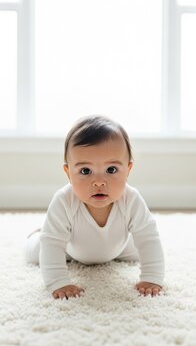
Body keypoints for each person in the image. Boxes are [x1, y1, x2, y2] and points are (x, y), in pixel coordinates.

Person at [25, 115, 165, 300]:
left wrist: (152, 278)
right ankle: (38, 233)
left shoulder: (131, 199)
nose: (99, 182)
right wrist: (59, 282)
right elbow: (52, 244)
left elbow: (148, 238)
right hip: (70, 248)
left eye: (111, 170)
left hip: (118, 246)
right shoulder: (64, 201)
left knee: (141, 250)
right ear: (68, 173)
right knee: (37, 252)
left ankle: (112, 249)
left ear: (128, 170)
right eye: (85, 171)